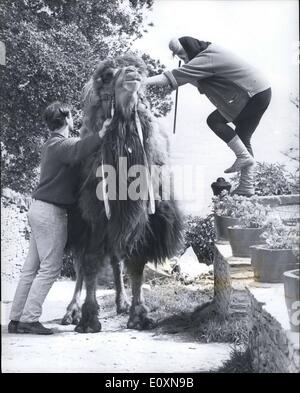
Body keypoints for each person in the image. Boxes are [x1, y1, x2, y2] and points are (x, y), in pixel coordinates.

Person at [8, 102, 110, 335]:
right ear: (68, 119)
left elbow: (77, 149)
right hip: (51, 213)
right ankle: (30, 319)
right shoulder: (62, 145)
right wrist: (103, 132)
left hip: (39, 210)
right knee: (50, 269)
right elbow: (80, 148)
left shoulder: (50, 145)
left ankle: (16, 318)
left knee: (30, 269)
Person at [145, 36, 272, 196]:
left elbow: (168, 77)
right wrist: (181, 77)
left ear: (190, 48)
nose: (184, 60)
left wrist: (141, 82)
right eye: (180, 58)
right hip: (261, 92)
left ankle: (243, 157)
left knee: (215, 121)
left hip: (251, 95)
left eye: (184, 56)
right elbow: (199, 81)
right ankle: (247, 187)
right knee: (242, 137)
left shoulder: (205, 57)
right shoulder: (209, 52)